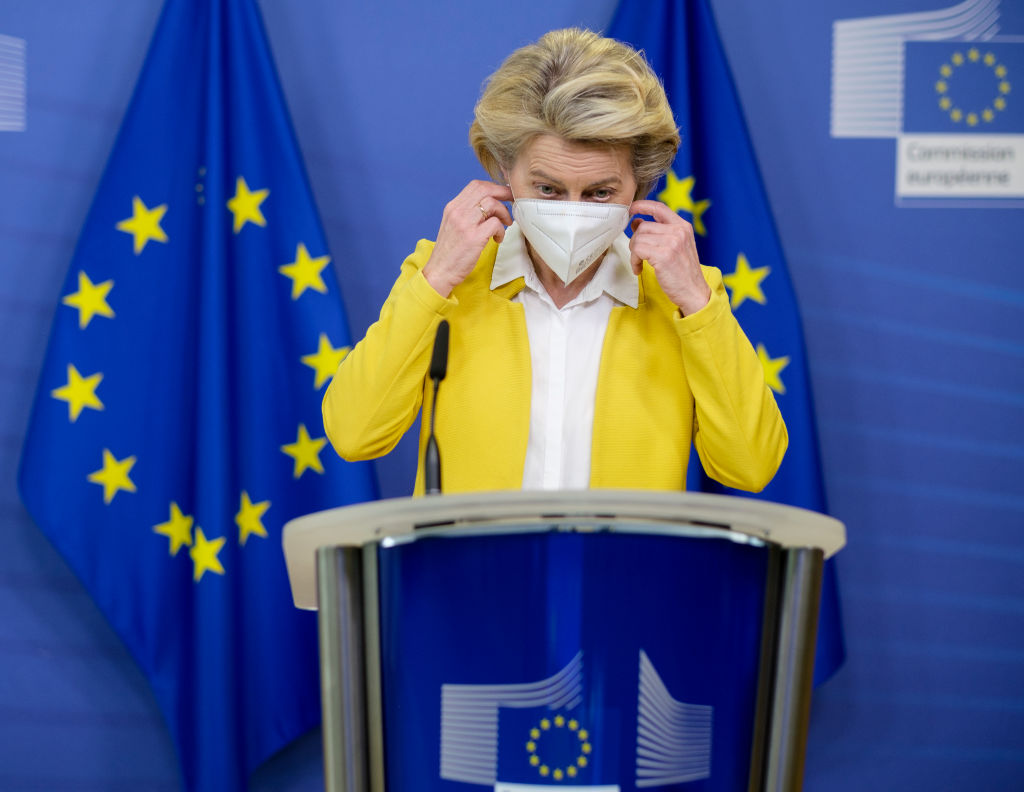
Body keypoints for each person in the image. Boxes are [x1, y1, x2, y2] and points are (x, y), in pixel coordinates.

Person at [323, 28, 787, 495]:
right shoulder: (447, 278)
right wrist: (437, 279)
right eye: (547, 189)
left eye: (600, 192)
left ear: (640, 187)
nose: (574, 210)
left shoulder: (681, 296)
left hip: (624, 568)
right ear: (504, 170)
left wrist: (696, 302)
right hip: (473, 568)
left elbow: (751, 466)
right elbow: (355, 435)